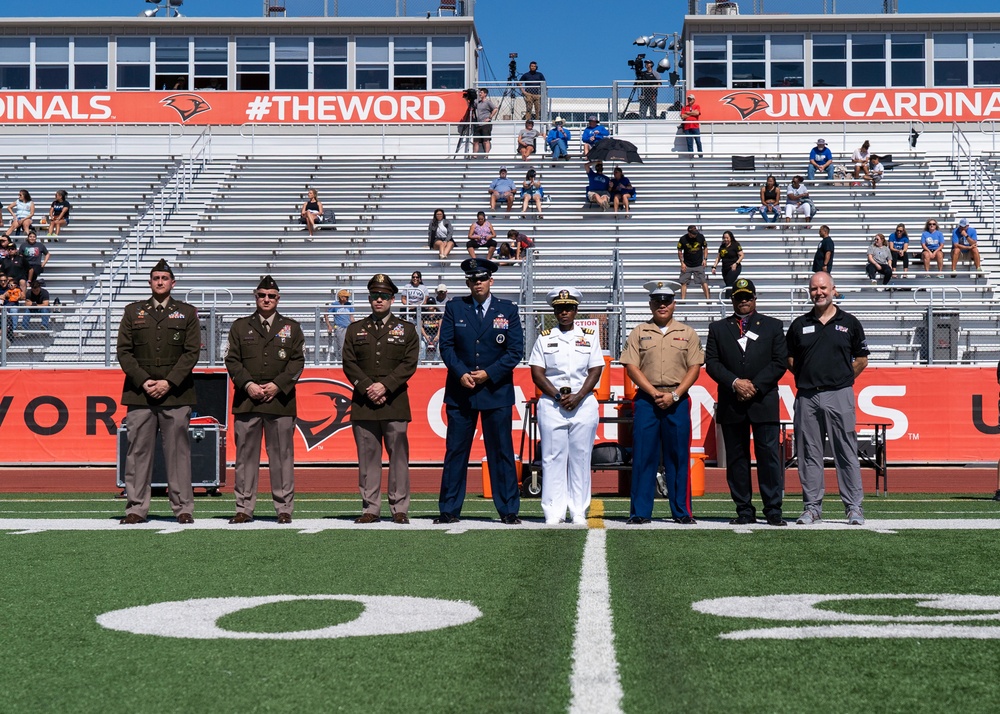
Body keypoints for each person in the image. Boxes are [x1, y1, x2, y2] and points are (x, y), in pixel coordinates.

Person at [437, 257, 524, 525]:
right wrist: (461, 372)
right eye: (473, 280)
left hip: (495, 390)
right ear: (468, 282)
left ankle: (509, 509)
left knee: (501, 452)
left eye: (482, 279)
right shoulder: (455, 308)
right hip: (461, 390)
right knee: (456, 451)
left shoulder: (507, 309)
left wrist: (490, 373)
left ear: (491, 281)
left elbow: (515, 351)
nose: (478, 283)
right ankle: (449, 509)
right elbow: (446, 346)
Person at [116, 259, 200, 525]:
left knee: (178, 453)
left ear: (172, 283)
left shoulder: (187, 313)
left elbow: (191, 353)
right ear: (150, 282)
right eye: (156, 278)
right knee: (138, 453)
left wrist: (168, 382)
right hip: (140, 394)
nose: (160, 282)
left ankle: (183, 508)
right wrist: (144, 381)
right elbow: (124, 352)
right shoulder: (133, 312)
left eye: (164, 278)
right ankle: (136, 508)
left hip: (176, 394)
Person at [786, 271, 870, 526]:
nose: (818, 293)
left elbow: (862, 359)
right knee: (809, 453)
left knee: (846, 451)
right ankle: (812, 507)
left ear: (834, 290)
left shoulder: (850, 322)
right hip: (807, 397)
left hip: (839, 394)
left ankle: (854, 507)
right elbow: (789, 359)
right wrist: (808, 375)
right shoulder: (799, 324)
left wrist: (842, 378)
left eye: (823, 288)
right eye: (814, 289)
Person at [705, 278, 789, 526]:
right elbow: (712, 363)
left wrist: (754, 385)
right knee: (737, 458)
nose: (744, 301)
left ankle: (773, 509)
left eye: (748, 296)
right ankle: (743, 509)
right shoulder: (718, 328)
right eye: (739, 297)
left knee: (769, 457)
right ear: (732, 299)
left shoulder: (773, 326)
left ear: (755, 298)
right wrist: (735, 383)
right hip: (732, 401)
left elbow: (779, 361)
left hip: (763, 400)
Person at [619, 280, 704, 524]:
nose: (662, 305)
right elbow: (631, 367)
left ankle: (682, 511)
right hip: (647, 399)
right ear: (650, 304)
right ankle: (640, 512)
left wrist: (675, 394)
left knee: (677, 457)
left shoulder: (687, 333)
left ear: (674, 304)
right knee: (644, 456)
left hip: (677, 401)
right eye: (657, 301)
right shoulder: (639, 332)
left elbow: (695, 368)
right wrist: (652, 392)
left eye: (666, 301)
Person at [225, 276, 305, 525]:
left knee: (281, 457)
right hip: (247, 401)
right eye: (262, 295)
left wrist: (277, 385)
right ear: (255, 296)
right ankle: (244, 507)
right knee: (245, 458)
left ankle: (283, 508)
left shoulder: (291, 327)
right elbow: (232, 360)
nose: (266, 299)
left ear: (278, 298)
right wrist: (248, 384)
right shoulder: (240, 327)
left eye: (271, 296)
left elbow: (297, 361)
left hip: (280, 401)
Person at [342, 274, 420, 524]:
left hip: (394, 401)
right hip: (364, 403)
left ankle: (399, 507)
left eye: (384, 296)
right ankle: (371, 507)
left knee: (398, 457)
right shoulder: (355, 329)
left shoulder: (406, 329)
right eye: (375, 295)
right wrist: (368, 387)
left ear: (392, 299)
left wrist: (384, 386)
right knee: (367, 459)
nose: (379, 300)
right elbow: (349, 363)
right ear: (369, 298)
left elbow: (409, 363)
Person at [528, 287, 604, 524]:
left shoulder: (589, 336)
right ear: (554, 311)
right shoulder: (545, 337)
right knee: (552, 457)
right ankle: (553, 510)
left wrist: (579, 395)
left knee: (580, 457)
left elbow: (595, 369)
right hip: (552, 404)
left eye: (569, 308)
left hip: (583, 403)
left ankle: (578, 509)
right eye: (560, 309)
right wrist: (558, 396)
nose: (564, 313)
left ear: (576, 310)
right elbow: (537, 373)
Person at [677, 224, 711, 300]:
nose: (695, 235)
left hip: (698, 263)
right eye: (693, 234)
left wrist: (705, 259)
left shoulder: (700, 237)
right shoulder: (683, 239)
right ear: (689, 233)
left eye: (696, 233)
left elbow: (705, 248)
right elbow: (679, 251)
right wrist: (682, 263)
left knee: (703, 281)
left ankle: (708, 300)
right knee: (683, 282)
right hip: (687, 264)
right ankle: (683, 300)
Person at [324, 288, 354, 363]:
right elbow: (326, 314)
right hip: (340, 327)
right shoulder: (335, 305)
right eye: (346, 297)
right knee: (341, 346)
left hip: (349, 327)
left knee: (350, 346)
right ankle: (342, 362)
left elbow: (351, 317)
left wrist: (355, 325)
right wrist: (329, 325)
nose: (347, 298)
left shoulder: (349, 305)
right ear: (341, 297)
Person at [472, 88, 498, 158]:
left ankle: (486, 155)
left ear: (485, 94)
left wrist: (489, 117)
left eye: (481, 92)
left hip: (485, 124)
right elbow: (472, 106)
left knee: (486, 140)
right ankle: (474, 155)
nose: (480, 94)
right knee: (475, 141)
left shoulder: (488, 102)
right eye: (479, 92)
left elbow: (495, 109)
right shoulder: (478, 102)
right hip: (478, 123)